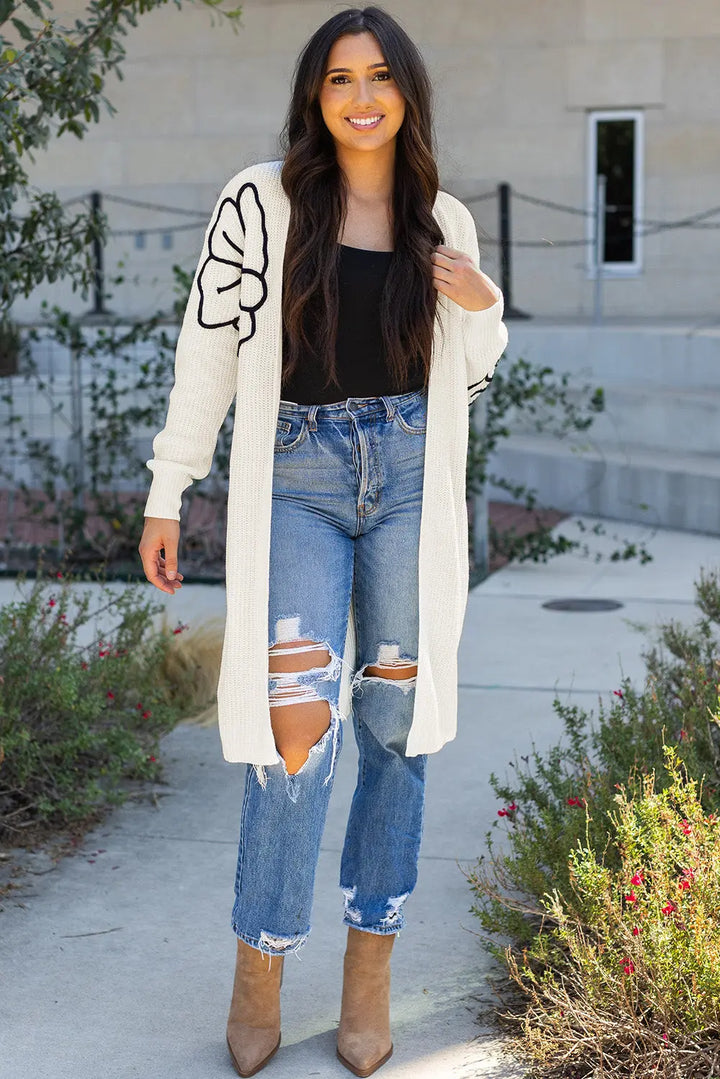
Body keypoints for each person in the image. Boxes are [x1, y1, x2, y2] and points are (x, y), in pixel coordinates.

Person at [138, 6, 508, 1076]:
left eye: (380, 77)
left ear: (406, 94)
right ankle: (261, 963)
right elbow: (206, 348)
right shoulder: (259, 204)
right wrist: (172, 487)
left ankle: (369, 965)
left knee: (395, 723)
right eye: (340, 78)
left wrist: (484, 304)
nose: (360, 96)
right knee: (295, 727)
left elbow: (473, 371)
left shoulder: (444, 220)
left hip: (404, 476)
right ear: (315, 94)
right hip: (295, 475)